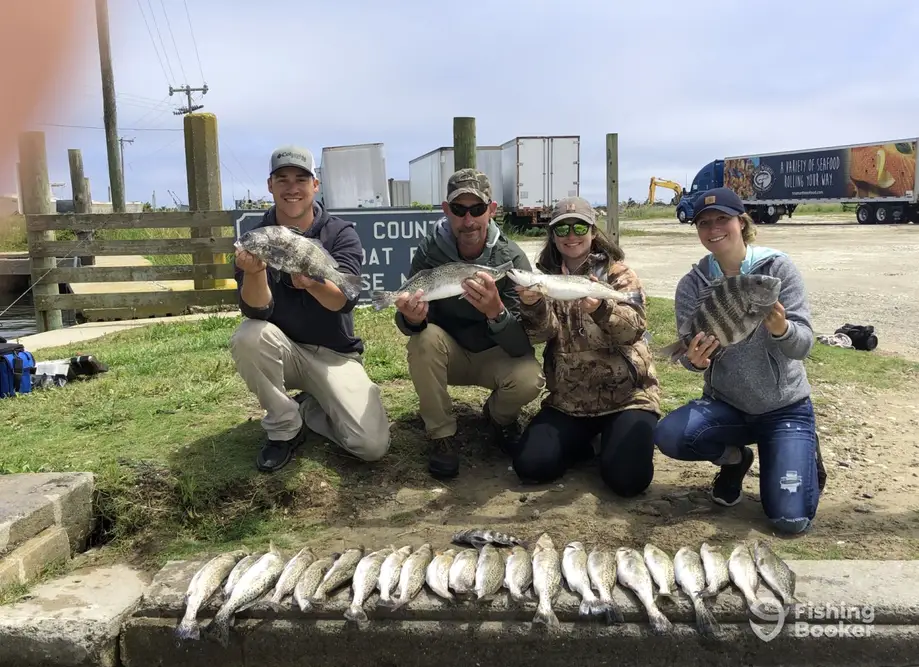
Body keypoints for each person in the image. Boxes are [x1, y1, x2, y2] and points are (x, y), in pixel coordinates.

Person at [653, 186, 826, 534]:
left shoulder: (777, 270)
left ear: (741, 222)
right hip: (728, 405)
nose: (714, 228)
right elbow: (694, 354)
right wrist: (695, 362)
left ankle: (800, 450)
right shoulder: (692, 284)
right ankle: (736, 459)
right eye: (704, 223)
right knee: (671, 435)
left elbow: (802, 346)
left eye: (723, 219)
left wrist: (782, 329)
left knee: (789, 521)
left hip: (783, 408)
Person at [231, 145, 390, 472]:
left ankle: (309, 410)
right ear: (270, 185)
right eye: (282, 179)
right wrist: (255, 270)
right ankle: (284, 428)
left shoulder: (341, 233)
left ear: (315, 185)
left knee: (370, 445)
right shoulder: (258, 236)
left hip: (334, 353)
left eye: (301, 179)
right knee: (248, 335)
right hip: (283, 351)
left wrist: (312, 282)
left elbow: (344, 299)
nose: (292, 188)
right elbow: (257, 310)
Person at [393, 168, 545, 480]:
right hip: (449, 355)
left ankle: (499, 419)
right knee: (423, 341)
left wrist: (496, 312)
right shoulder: (429, 253)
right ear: (446, 210)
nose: (468, 220)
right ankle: (442, 435)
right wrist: (411, 318)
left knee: (531, 377)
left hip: (495, 356)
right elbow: (411, 319)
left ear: (491, 210)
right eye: (459, 210)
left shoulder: (511, 258)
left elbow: (521, 345)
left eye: (477, 209)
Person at [512, 196, 661, 496]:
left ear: (593, 232)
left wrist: (601, 309)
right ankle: (590, 442)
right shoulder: (546, 281)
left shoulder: (619, 275)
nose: (570, 236)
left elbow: (634, 329)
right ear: (552, 236)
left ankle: (614, 441)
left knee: (628, 481)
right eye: (561, 229)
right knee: (531, 466)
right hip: (570, 403)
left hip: (627, 398)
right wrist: (533, 306)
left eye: (579, 227)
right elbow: (541, 334)